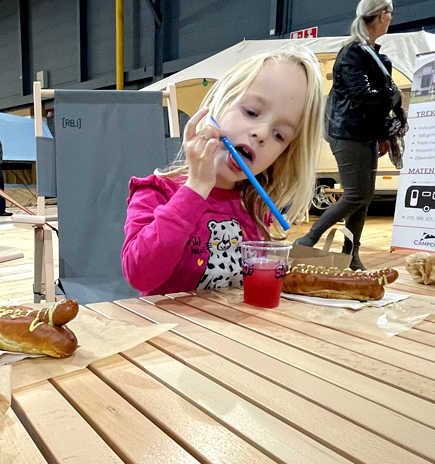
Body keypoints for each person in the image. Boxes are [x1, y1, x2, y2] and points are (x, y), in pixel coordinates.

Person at [121, 45, 324, 296]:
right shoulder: (156, 191)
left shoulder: (255, 207)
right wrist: (195, 189)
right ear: (216, 104)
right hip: (170, 332)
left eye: (279, 135)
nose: (261, 134)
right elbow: (140, 274)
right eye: (251, 112)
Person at [293, 0, 402, 271]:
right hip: (347, 132)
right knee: (356, 194)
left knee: (364, 197)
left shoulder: (375, 55)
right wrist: (391, 94)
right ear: (380, 15)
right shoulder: (354, 52)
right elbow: (363, 97)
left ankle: (350, 255)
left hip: (364, 133)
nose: (391, 18)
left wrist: (381, 133)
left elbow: (375, 105)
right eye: (390, 13)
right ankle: (308, 239)